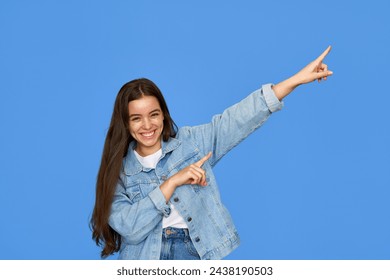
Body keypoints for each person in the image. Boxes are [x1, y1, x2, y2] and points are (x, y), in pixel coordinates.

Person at [91, 46, 333, 260]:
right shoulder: (119, 171)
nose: (147, 125)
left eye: (153, 114)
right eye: (136, 118)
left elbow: (238, 119)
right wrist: (173, 181)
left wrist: (296, 80)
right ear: (126, 123)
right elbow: (129, 227)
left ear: (163, 114)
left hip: (193, 253)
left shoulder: (191, 144)